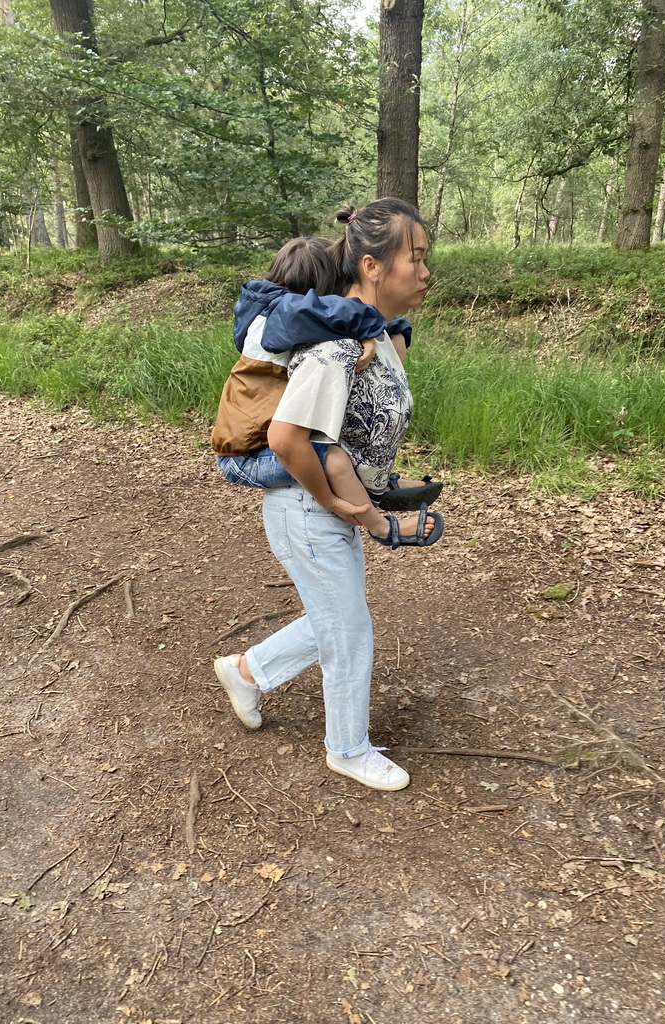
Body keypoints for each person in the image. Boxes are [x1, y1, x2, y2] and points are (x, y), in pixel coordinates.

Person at [214, 198, 439, 791]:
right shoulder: (335, 347)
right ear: (371, 266)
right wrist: (348, 507)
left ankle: (247, 672)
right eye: (415, 259)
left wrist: (384, 489)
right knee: (349, 628)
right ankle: (347, 747)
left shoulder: (381, 337)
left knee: (337, 617)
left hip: (323, 503)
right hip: (305, 506)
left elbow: (352, 434)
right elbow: (290, 439)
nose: (425, 271)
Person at [211, 235, 443, 547]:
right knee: (336, 460)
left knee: (340, 435)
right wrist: (329, 500)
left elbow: (352, 315)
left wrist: (392, 327)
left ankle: (380, 483)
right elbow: (330, 314)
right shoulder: (279, 318)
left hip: (259, 441)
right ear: (318, 289)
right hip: (245, 455)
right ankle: (383, 528)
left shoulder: (278, 312)